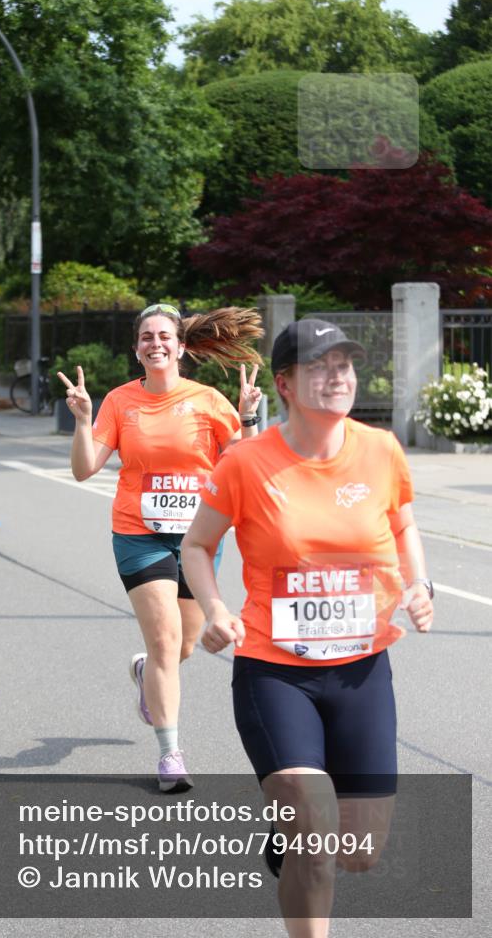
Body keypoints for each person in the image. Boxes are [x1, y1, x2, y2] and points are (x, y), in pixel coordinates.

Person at [181, 318, 434, 937]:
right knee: (316, 842)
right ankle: (300, 830)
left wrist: (419, 585)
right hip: (275, 673)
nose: (336, 377)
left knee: (359, 853)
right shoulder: (246, 462)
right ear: (285, 384)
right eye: (319, 367)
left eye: (343, 365)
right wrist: (215, 609)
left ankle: (288, 831)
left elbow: (402, 522)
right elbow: (196, 545)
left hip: (361, 672)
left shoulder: (380, 450)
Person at [57, 303, 264, 792]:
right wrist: (83, 420)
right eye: (146, 337)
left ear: (181, 346)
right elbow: (84, 470)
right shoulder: (119, 402)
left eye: (164, 336)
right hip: (139, 533)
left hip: (198, 539)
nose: (156, 344)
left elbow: (247, 462)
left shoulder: (209, 400)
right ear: (137, 349)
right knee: (167, 643)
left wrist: (248, 417)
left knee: (183, 646)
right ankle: (170, 754)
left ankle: (144, 670)